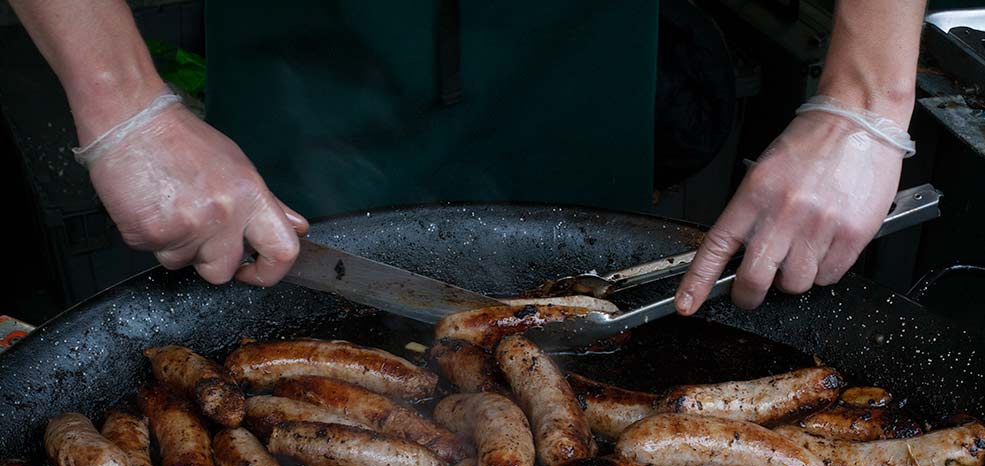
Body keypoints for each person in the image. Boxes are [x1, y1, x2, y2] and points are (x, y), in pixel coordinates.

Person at [11, 1, 926, 314]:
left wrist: (866, 102)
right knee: (272, 297)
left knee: (579, 301)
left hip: (576, 43)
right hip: (315, 51)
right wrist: (124, 105)